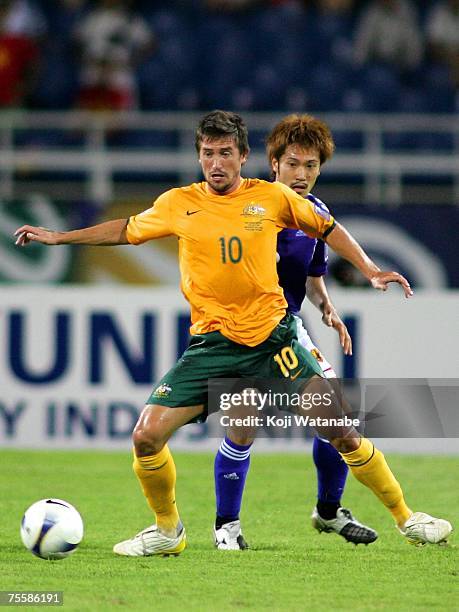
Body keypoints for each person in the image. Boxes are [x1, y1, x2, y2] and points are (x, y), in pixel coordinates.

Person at [14, 110, 452, 557]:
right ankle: (169, 531)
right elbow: (125, 230)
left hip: (273, 342)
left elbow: (328, 229)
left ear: (243, 156)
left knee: (341, 430)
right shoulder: (178, 203)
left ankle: (406, 518)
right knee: (146, 436)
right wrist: (59, 237)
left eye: (226, 153)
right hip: (212, 346)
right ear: (199, 157)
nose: (217, 163)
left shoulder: (271, 198)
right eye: (208, 154)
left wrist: (372, 271)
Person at [213, 114, 378, 551]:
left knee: (336, 418)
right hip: (236, 331)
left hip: (286, 330)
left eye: (310, 166)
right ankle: (226, 527)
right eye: (292, 164)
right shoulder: (241, 203)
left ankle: (328, 511)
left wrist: (328, 307)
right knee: (242, 421)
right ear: (273, 163)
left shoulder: (316, 214)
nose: (301, 175)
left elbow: (313, 275)